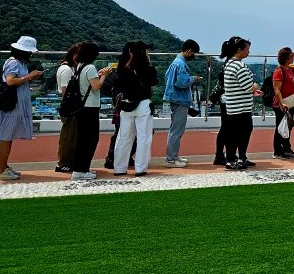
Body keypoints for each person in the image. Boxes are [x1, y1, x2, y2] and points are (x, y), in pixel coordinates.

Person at [0, 36, 44, 181]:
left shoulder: (19, 63)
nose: (30, 55)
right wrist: (29, 76)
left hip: (16, 104)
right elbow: (10, 81)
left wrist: (28, 77)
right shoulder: (13, 63)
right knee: (5, 137)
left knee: (8, 137)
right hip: (12, 105)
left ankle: (4, 166)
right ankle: (1, 169)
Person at [111, 41, 158, 176]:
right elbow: (153, 81)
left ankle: (119, 168)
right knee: (144, 137)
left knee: (124, 137)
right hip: (143, 103)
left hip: (126, 105)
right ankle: (140, 168)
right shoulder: (146, 67)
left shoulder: (121, 68)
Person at [71, 40, 112, 180]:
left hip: (82, 107)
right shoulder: (90, 68)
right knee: (90, 139)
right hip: (90, 107)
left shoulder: (80, 66)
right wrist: (105, 75)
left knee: (82, 139)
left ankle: (81, 168)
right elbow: (96, 86)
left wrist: (99, 74)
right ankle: (81, 170)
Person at [218, 36, 260, 170]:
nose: (248, 52)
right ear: (239, 50)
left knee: (233, 133)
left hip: (232, 105)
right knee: (241, 134)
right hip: (241, 108)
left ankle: (235, 158)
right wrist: (255, 85)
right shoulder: (240, 66)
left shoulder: (229, 63)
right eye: (247, 49)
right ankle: (235, 159)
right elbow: (248, 86)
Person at [164, 39, 201, 168]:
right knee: (177, 130)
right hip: (179, 99)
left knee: (175, 129)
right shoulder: (181, 64)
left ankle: (173, 156)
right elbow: (181, 82)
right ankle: (171, 158)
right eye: (193, 53)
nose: (193, 56)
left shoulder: (176, 62)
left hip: (175, 98)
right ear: (189, 51)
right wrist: (193, 79)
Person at [271, 47, 294, 159]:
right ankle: (278, 150)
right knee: (280, 126)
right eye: (290, 56)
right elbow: (277, 89)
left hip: (290, 102)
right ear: (285, 58)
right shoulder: (279, 71)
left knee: (288, 126)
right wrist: (281, 103)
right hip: (282, 103)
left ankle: (286, 147)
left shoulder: (290, 69)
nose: (292, 58)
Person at [54, 43, 81, 173]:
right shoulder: (67, 70)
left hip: (69, 106)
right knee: (68, 136)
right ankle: (63, 162)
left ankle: (67, 161)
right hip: (69, 107)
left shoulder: (68, 68)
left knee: (71, 135)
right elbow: (66, 90)